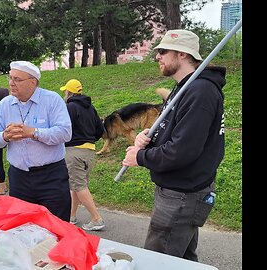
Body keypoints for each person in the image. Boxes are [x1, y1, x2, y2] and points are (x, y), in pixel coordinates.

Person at [122, 29, 226, 261]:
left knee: (159, 261)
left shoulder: (200, 91)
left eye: (163, 51)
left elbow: (182, 151)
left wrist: (139, 158)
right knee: (182, 261)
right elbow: (177, 133)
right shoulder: (184, 88)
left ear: (182, 55)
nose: (157, 56)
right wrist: (149, 139)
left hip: (182, 195)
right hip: (178, 191)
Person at [0, 60, 73, 222]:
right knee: (22, 229)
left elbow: (65, 133)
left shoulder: (52, 100)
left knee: (56, 226)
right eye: (10, 78)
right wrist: (5, 136)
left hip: (51, 177)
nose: (11, 83)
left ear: (33, 82)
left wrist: (33, 133)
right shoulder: (5, 104)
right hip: (20, 179)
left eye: (17, 79)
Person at [60, 79, 106, 231]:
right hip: (89, 151)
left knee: (79, 186)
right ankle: (71, 217)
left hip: (74, 151)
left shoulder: (70, 107)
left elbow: (63, 128)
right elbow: (100, 130)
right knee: (75, 186)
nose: (65, 94)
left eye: (65, 91)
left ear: (70, 92)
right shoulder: (90, 107)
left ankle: (96, 218)